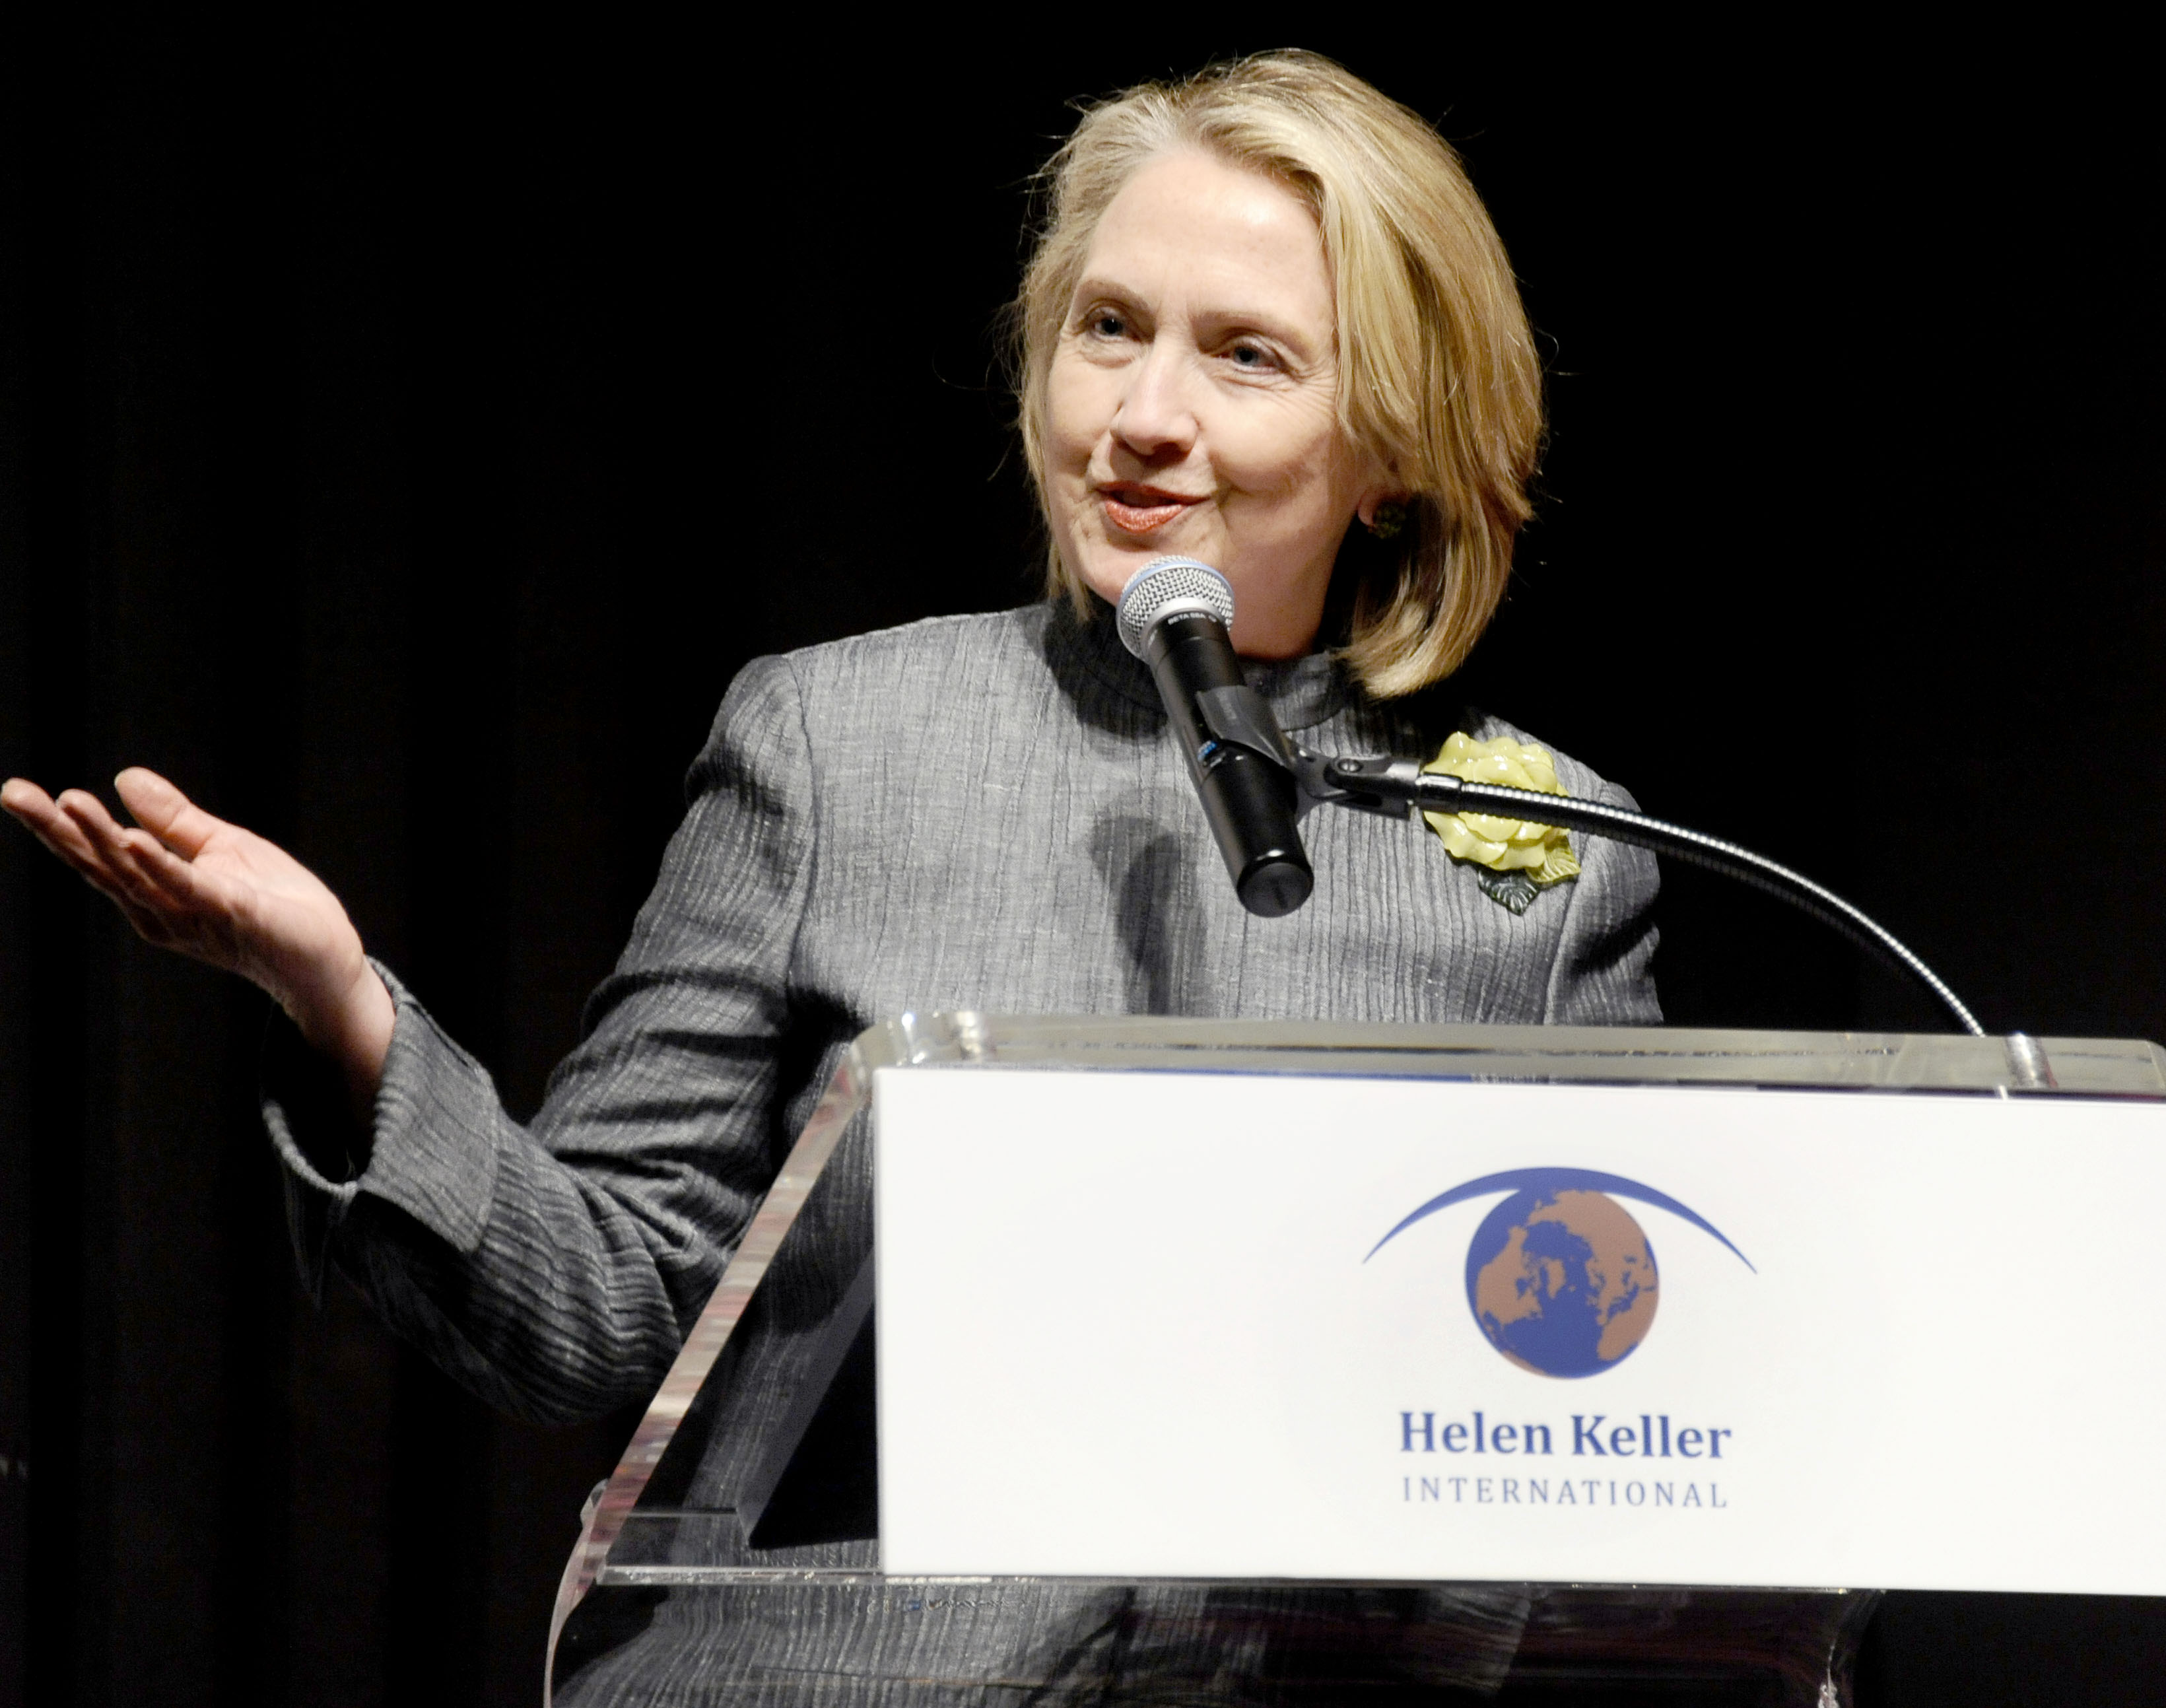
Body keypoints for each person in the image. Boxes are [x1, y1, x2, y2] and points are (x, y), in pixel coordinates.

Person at [3, 51, 1660, 1701]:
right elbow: (593, 1307)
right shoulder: (839, 744)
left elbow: (1607, 1409)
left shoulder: (1553, 861)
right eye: (1107, 328)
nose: (1143, 416)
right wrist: (341, 1001)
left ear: (1399, 445)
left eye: (1246, 357)